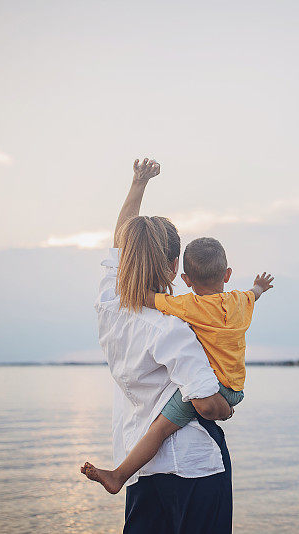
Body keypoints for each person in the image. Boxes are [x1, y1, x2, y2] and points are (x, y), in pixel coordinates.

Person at [80, 158, 235, 533]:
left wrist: (138, 184)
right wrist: (226, 406)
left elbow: (119, 243)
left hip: (141, 467)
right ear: (172, 268)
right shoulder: (172, 330)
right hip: (195, 466)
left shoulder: (110, 307)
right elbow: (205, 404)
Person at [85, 235, 274, 495]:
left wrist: (127, 278)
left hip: (212, 388)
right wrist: (259, 286)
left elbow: (148, 300)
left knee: (160, 429)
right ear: (227, 274)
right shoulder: (241, 301)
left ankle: (119, 475)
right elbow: (254, 295)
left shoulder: (188, 306)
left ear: (185, 279)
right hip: (236, 387)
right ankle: (119, 474)